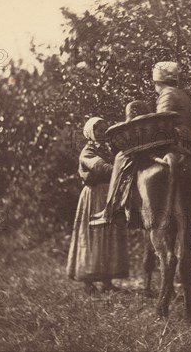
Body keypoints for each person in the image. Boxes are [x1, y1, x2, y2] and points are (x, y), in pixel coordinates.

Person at [94, 61, 191, 226]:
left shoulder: (166, 94)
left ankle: (112, 208)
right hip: (190, 147)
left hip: (173, 142)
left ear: (158, 82)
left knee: (121, 157)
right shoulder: (183, 94)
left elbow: (162, 123)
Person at [66, 117, 129, 293]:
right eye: (99, 130)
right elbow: (101, 168)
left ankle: (107, 281)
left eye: (104, 130)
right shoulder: (87, 152)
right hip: (94, 196)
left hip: (109, 194)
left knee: (109, 234)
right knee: (93, 235)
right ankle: (88, 282)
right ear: (90, 133)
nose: (103, 134)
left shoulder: (109, 151)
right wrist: (122, 166)